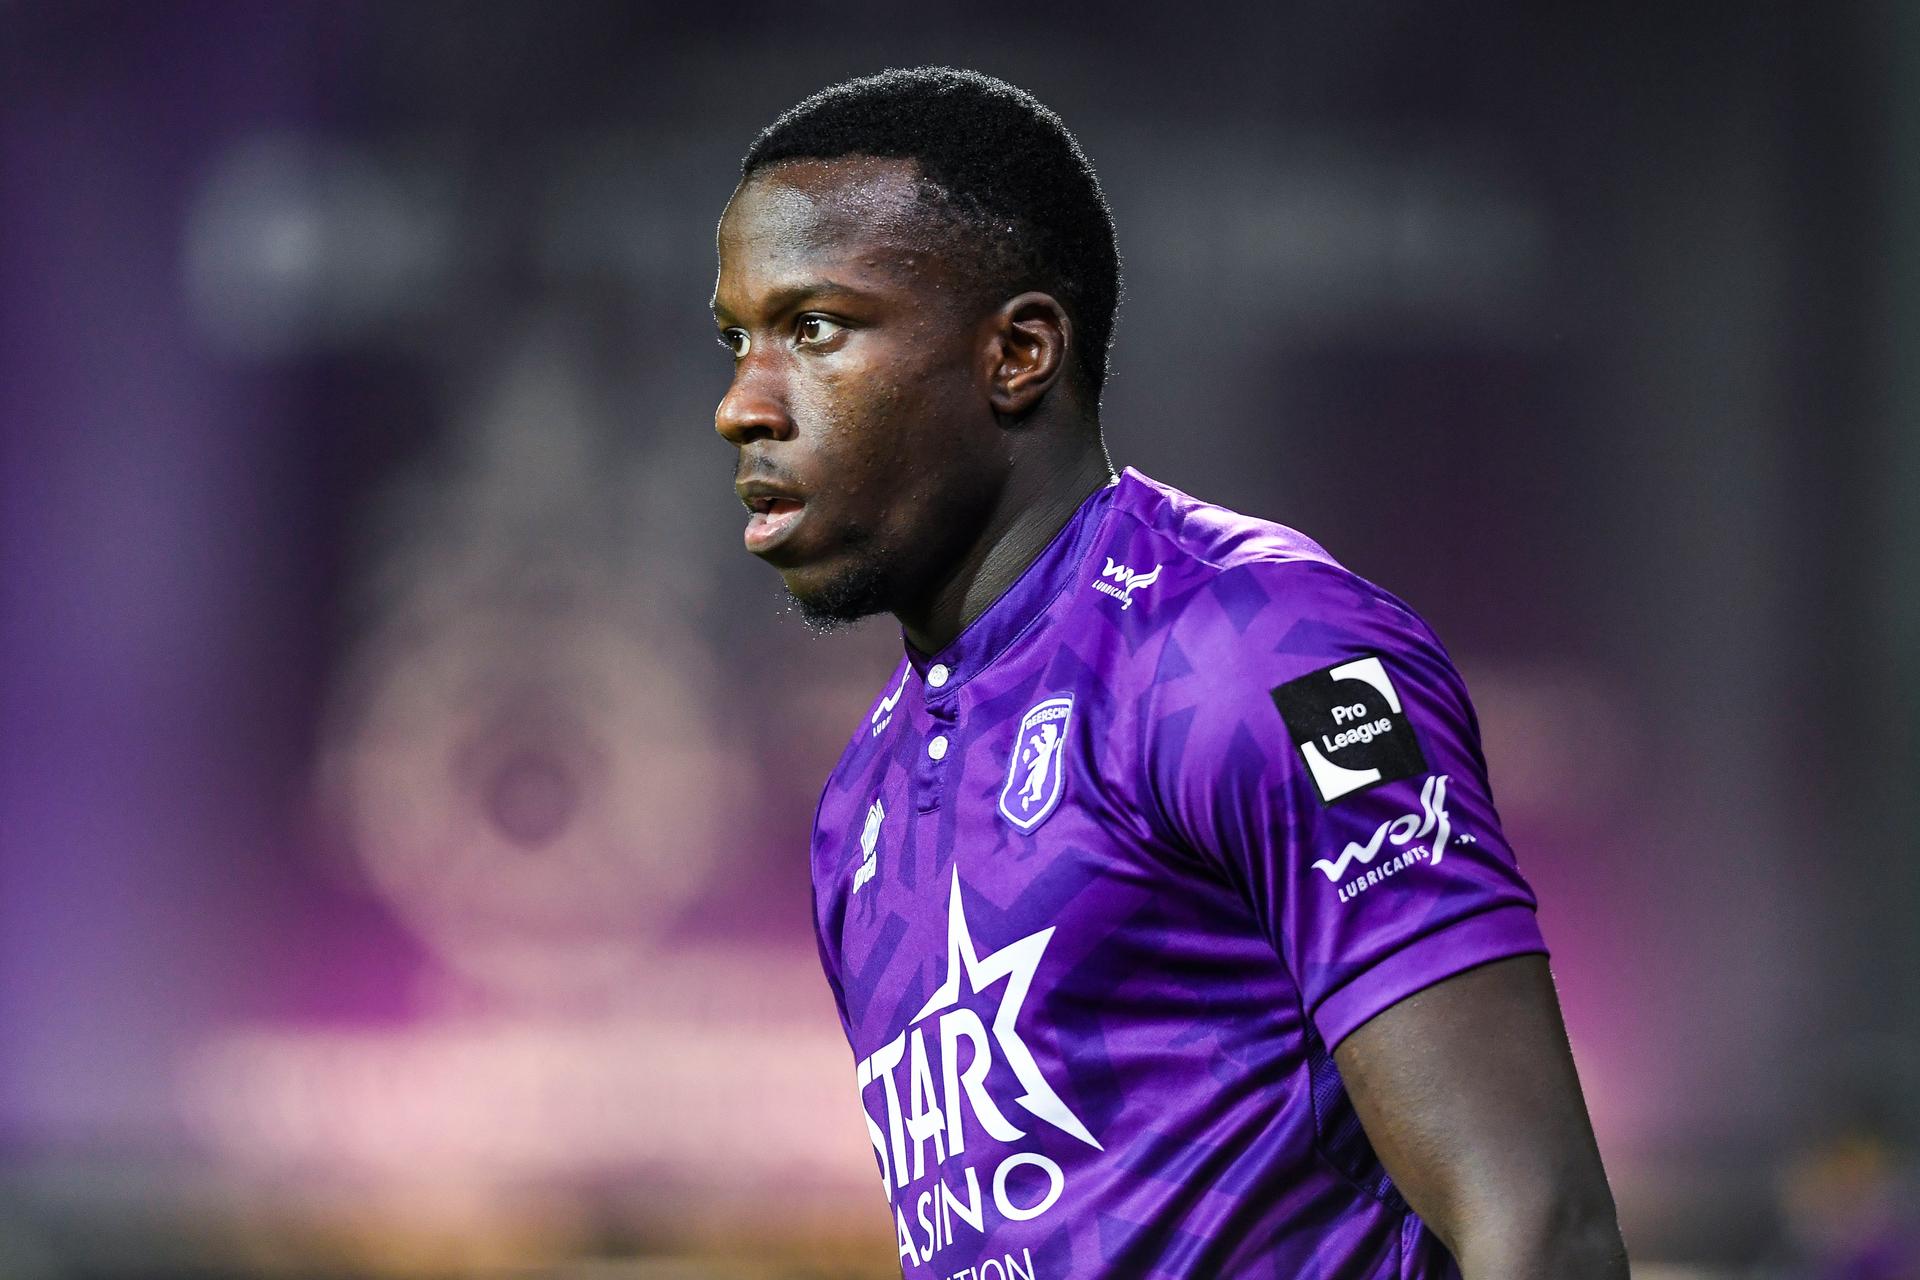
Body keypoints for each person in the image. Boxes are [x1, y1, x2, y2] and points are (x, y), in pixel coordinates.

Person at [711, 66, 1627, 1279]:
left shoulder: (1255, 645)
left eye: (815, 328)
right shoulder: (861, 806)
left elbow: (1541, 1224)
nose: (741, 405)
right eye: (738, 338)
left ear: (1020, 352)